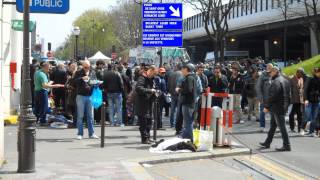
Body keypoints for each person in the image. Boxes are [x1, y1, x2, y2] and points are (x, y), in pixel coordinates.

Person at [260, 66, 291, 151]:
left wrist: (267, 106)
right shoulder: (285, 80)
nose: (270, 74)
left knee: (282, 127)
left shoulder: (276, 81)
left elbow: (273, 96)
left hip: (277, 107)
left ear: (276, 72)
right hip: (281, 106)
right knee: (273, 125)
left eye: (271, 72)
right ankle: (267, 142)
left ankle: (287, 145)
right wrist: (287, 106)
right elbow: (289, 96)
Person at [72, 60, 99, 140]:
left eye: (88, 67)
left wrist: (96, 83)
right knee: (80, 116)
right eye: (85, 67)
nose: (87, 68)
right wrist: (82, 78)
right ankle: (80, 133)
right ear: (83, 66)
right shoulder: (78, 72)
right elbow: (73, 82)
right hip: (81, 96)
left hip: (90, 96)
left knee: (90, 116)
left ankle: (92, 133)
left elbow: (95, 82)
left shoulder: (92, 72)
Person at [34, 61, 64, 126]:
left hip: (37, 91)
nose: (49, 69)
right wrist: (55, 86)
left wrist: (50, 82)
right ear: (45, 67)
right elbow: (45, 85)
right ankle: (42, 121)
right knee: (44, 107)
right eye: (48, 68)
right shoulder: (42, 74)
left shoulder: (37, 72)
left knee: (38, 107)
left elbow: (43, 84)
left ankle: (36, 120)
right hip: (42, 91)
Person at [135, 65, 157, 144]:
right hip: (142, 103)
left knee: (149, 121)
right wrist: (150, 90)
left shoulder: (152, 79)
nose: (154, 75)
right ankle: (144, 139)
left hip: (149, 103)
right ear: (150, 70)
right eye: (153, 73)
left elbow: (153, 88)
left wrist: (155, 92)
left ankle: (148, 137)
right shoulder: (142, 78)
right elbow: (138, 88)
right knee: (143, 122)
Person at [177, 63, 197, 142]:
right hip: (190, 103)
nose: (181, 70)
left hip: (188, 103)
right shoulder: (191, 78)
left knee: (187, 122)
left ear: (186, 69)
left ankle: (191, 139)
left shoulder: (189, 78)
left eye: (182, 69)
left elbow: (188, 89)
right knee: (189, 122)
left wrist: (179, 90)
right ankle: (185, 137)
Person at [303, 67, 320, 137]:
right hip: (309, 100)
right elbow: (306, 90)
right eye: (318, 72)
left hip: (316, 101)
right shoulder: (310, 79)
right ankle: (302, 128)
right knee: (308, 115)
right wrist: (306, 99)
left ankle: (311, 131)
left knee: (314, 117)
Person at [256, 63, 273, 132]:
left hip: (272, 99)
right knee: (262, 113)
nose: (269, 68)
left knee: (273, 114)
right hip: (264, 99)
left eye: (270, 67)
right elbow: (258, 87)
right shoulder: (262, 76)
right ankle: (262, 126)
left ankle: (274, 127)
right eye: (268, 67)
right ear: (266, 68)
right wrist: (260, 98)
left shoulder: (274, 75)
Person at [289, 68, 305, 133]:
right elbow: (289, 89)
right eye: (301, 73)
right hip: (294, 100)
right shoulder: (292, 79)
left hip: (300, 100)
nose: (302, 75)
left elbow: (302, 88)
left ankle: (299, 129)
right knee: (292, 114)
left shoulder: (301, 79)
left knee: (299, 114)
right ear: (297, 73)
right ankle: (292, 128)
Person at [168, 64, 183, 128]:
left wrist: (170, 91)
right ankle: (176, 123)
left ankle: (172, 124)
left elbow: (168, 84)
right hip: (179, 94)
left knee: (172, 110)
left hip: (172, 94)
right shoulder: (182, 74)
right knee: (178, 110)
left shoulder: (171, 74)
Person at [65, 62, 78, 127]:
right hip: (72, 95)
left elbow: (75, 85)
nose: (70, 69)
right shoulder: (72, 75)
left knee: (76, 109)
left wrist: (69, 86)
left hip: (75, 94)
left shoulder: (76, 75)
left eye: (71, 68)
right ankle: (75, 122)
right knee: (74, 109)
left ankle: (75, 123)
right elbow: (66, 85)